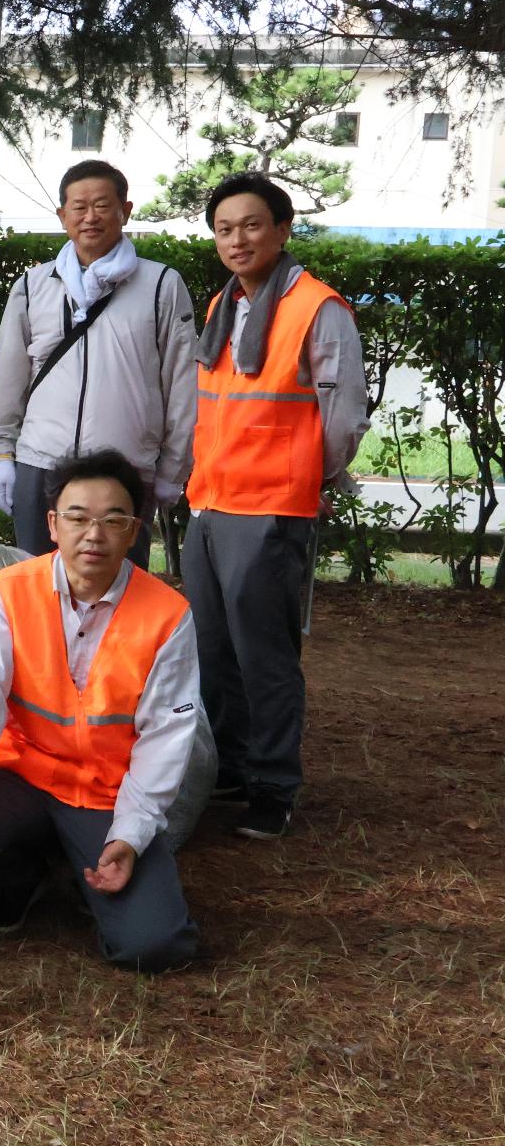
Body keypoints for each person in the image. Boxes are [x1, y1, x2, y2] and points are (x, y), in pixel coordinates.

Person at [0, 450, 201, 973]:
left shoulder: (167, 615)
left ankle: (87, 866)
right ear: (53, 524)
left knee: (154, 947)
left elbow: (167, 736)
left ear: (134, 530)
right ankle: (23, 879)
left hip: (105, 795)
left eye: (113, 519)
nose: (94, 534)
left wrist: (129, 834)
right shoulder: (10, 592)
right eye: (77, 517)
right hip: (25, 773)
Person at [183, 172, 367, 840]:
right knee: (211, 647)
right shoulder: (221, 306)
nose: (238, 238)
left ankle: (273, 783)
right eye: (225, 228)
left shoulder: (319, 307)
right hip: (210, 500)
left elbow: (342, 417)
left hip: (271, 505)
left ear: (283, 230)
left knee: (263, 651)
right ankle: (229, 765)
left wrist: (307, 477)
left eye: (252, 224)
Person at [0, 160, 197, 565]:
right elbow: (9, 378)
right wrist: (2, 455)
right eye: (78, 207)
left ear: (125, 211)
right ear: (62, 215)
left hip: (126, 469)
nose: (90, 217)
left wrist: (174, 468)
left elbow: (183, 383)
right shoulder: (32, 286)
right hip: (40, 462)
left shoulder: (161, 285)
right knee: (38, 588)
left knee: (116, 596)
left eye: (102, 205)